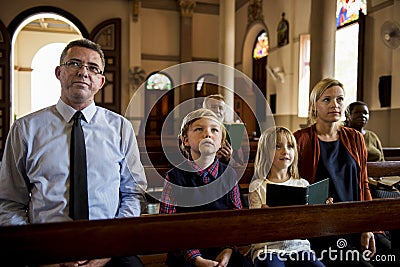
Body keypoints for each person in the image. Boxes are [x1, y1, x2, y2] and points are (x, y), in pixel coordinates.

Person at [0, 38, 147, 267]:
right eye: (74, 64)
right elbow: (9, 202)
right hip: (44, 248)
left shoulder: (120, 128)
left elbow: (133, 194)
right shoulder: (25, 130)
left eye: (92, 68)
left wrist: (110, 246)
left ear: (101, 81)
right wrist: (36, 251)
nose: (83, 72)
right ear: (59, 72)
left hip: (108, 245)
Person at [293, 78, 376, 267]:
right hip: (323, 226)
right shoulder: (301, 139)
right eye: (327, 100)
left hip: (355, 221)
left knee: (390, 252)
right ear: (315, 105)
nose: (335, 105)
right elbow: (292, 184)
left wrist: (368, 226)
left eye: (339, 99)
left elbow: (363, 184)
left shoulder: (354, 137)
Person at [159, 108, 251, 267]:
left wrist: (228, 250)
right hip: (185, 253)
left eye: (214, 130)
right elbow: (169, 227)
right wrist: (196, 258)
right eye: (199, 129)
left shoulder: (229, 176)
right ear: (186, 140)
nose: (207, 134)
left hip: (223, 249)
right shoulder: (174, 178)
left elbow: (237, 220)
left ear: (221, 141)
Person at [248, 126, 326, 267]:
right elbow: (254, 228)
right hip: (268, 248)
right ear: (266, 152)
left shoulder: (302, 184)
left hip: (299, 247)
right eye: (277, 146)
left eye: (290, 146)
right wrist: (262, 216)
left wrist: (322, 208)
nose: (285, 151)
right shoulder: (258, 186)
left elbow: (312, 224)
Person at [202, 94, 245, 167]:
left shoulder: (233, 133)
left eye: (221, 108)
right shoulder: (196, 131)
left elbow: (240, 165)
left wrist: (228, 159)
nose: (218, 111)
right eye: (213, 107)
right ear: (204, 110)